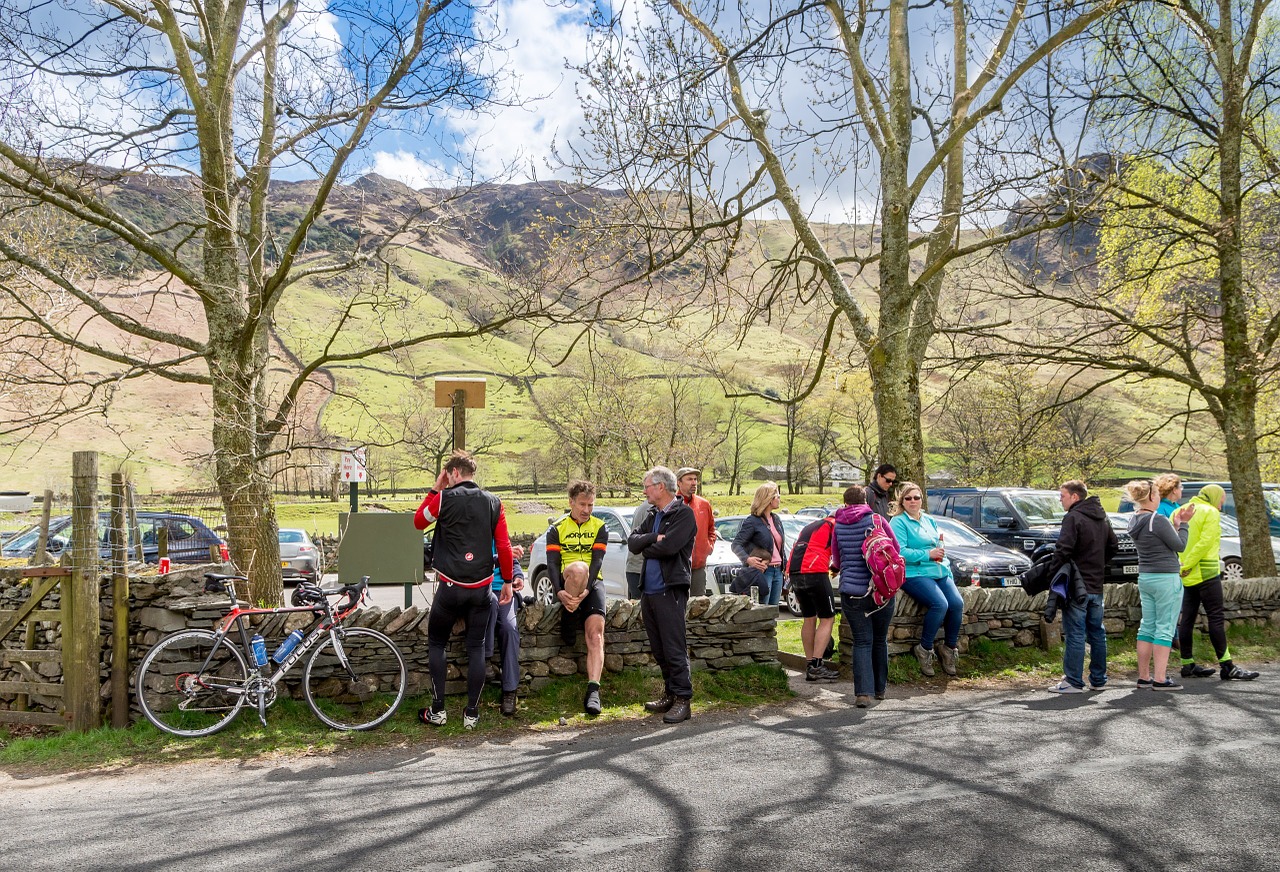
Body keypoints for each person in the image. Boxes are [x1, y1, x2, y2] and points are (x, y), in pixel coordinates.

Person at [413, 450, 514, 730]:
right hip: (481, 589)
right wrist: (506, 580)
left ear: (453, 473)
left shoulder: (444, 498)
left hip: (450, 586)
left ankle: (438, 710)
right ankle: (471, 714)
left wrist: (436, 488)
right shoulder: (494, 502)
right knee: (477, 647)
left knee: (436, 642)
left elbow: (419, 522)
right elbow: (504, 546)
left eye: (447, 475)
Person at [627, 466, 697, 724]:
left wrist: (648, 546)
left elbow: (669, 548)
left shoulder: (684, 514)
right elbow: (632, 542)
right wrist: (653, 537)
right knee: (659, 648)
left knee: (674, 647)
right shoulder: (653, 514)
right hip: (650, 590)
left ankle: (683, 700)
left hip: (670, 590)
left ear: (660, 487)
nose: (644, 490)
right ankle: (670, 693)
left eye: (646, 485)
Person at [1178, 484, 1260, 681]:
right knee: (1215, 617)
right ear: (1214, 498)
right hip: (1206, 571)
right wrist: (1189, 564)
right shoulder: (1210, 512)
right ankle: (1227, 666)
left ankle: (1187, 664)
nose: (1221, 506)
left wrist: (1183, 565)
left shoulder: (1179, 510)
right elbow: (1206, 542)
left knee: (1187, 618)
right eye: (1221, 501)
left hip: (1186, 574)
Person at [832, 484, 901, 708]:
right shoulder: (877, 520)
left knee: (861, 642)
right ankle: (880, 689)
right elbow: (896, 550)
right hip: (880, 590)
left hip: (852, 592)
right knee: (880, 640)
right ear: (866, 502)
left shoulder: (838, 525)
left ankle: (863, 694)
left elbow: (838, 561)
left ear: (845, 503)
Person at [1046, 480, 1116, 694]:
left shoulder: (1073, 517)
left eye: (1063, 496)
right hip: (1096, 584)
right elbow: (1113, 545)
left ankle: (1074, 681)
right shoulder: (1102, 517)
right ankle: (1098, 679)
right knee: (1097, 632)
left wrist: (1053, 573)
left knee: (1076, 632)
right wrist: (1099, 564)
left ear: (1075, 497)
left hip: (1077, 585)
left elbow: (1063, 549)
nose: (1060, 500)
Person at [546, 480, 609, 716]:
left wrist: (586, 590)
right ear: (571, 502)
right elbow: (552, 564)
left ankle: (593, 690)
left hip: (592, 582)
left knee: (595, 635)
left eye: (591, 505)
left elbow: (598, 562)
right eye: (582, 504)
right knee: (578, 569)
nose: (586, 510)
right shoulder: (557, 528)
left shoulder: (600, 526)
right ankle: (569, 611)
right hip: (566, 581)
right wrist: (559, 591)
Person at [1125, 480, 1194, 690]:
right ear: (1153, 497)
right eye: (1157, 494)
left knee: (1147, 626)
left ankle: (1144, 677)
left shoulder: (1134, 520)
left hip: (1146, 577)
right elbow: (1180, 546)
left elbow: (1160, 540)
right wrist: (1185, 524)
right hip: (1166, 578)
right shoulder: (1157, 519)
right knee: (1165, 627)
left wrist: (1174, 526)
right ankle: (1161, 678)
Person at [889, 481, 963, 678]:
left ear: (922, 499)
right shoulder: (898, 522)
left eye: (916, 497)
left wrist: (946, 568)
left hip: (939, 570)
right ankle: (924, 649)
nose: (913, 501)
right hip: (914, 573)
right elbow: (900, 552)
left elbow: (940, 548)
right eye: (908, 498)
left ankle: (949, 649)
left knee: (956, 603)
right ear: (902, 501)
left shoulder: (929, 520)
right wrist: (927, 554)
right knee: (940, 604)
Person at [787, 514, 839, 681]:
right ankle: (817, 665)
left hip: (795, 572)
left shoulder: (811, 526)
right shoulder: (835, 525)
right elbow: (839, 552)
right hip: (815, 571)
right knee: (827, 618)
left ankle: (809, 664)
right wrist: (836, 568)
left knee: (809, 618)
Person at [731, 481, 788, 605]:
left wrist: (786, 566)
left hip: (778, 572)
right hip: (763, 571)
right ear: (768, 499)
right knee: (762, 610)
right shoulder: (752, 521)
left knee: (773, 613)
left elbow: (780, 547)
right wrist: (748, 560)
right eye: (777, 496)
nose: (779, 498)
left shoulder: (776, 519)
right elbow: (736, 545)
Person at [484, 544, 525, 716]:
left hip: (506, 591)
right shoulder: (473, 530)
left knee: (510, 628)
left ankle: (510, 690)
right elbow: (473, 562)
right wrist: (502, 556)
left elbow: (513, 563)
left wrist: (518, 576)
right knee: (491, 601)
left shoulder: (499, 531)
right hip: (481, 591)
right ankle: (485, 661)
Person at [676, 467, 718, 597]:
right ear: (679, 482)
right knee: (678, 605)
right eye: (689, 479)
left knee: (698, 606)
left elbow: (712, 529)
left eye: (695, 479)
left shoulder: (704, 504)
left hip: (698, 566)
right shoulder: (671, 503)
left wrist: (708, 546)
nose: (694, 483)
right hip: (677, 567)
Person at [625, 500, 650, 599]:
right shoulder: (650, 508)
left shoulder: (646, 506)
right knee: (640, 611)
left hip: (638, 570)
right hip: (639, 570)